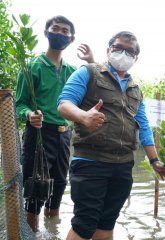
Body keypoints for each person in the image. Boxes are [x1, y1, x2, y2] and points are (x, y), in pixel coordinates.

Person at [57, 31, 165, 240]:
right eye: (118, 47)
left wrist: (155, 160)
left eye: (130, 51)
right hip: (91, 162)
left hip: (123, 165)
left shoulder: (136, 90)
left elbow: (144, 126)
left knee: (107, 221)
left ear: (136, 58)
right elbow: (64, 104)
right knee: (85, 223)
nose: (123, 53)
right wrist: (83, 117)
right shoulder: (88, 73)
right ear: (108, 50)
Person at [15, 15, 94, 232]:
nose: (59, 33)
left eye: (65, 31)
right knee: (35, 189)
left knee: (58, 187)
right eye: (55, 29)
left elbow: (94, 89)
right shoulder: (32, 67)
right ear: (46, 33)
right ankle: (32, 235)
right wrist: (29, 114)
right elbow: (18, 104)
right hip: (39, 133)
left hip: (64, 135)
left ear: (72, 38)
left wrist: (90, 62)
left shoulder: (72, 71)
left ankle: (52, 232)